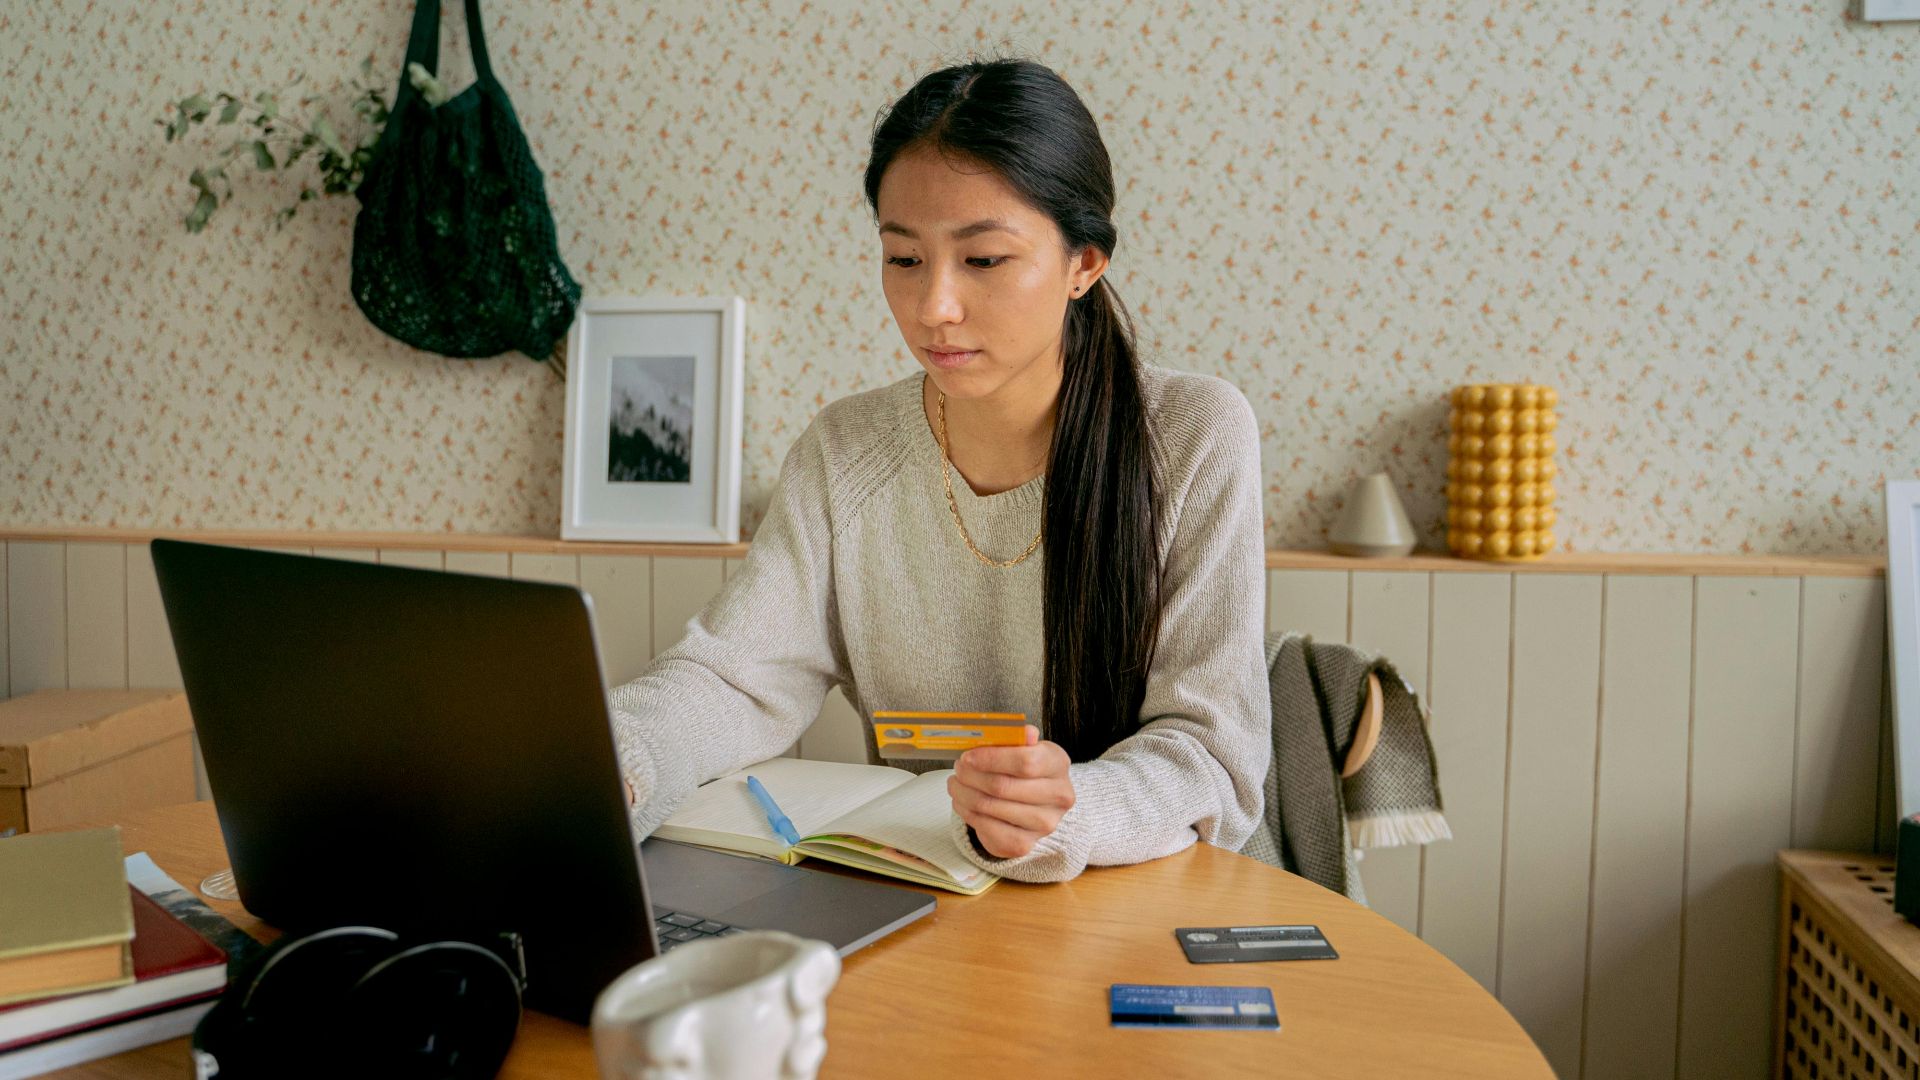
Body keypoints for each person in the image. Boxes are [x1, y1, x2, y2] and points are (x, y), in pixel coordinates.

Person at [612, 58, 1268, 883]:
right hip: (931, 904)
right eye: (905, 259)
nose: (934, 309)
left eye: (984, 260)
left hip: (1144, 902)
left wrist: (1069, 812)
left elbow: (1211, 753)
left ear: (1084, 264)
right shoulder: (845, 449)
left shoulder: (1193, 435)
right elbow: (736, 681)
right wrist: (613, 757)